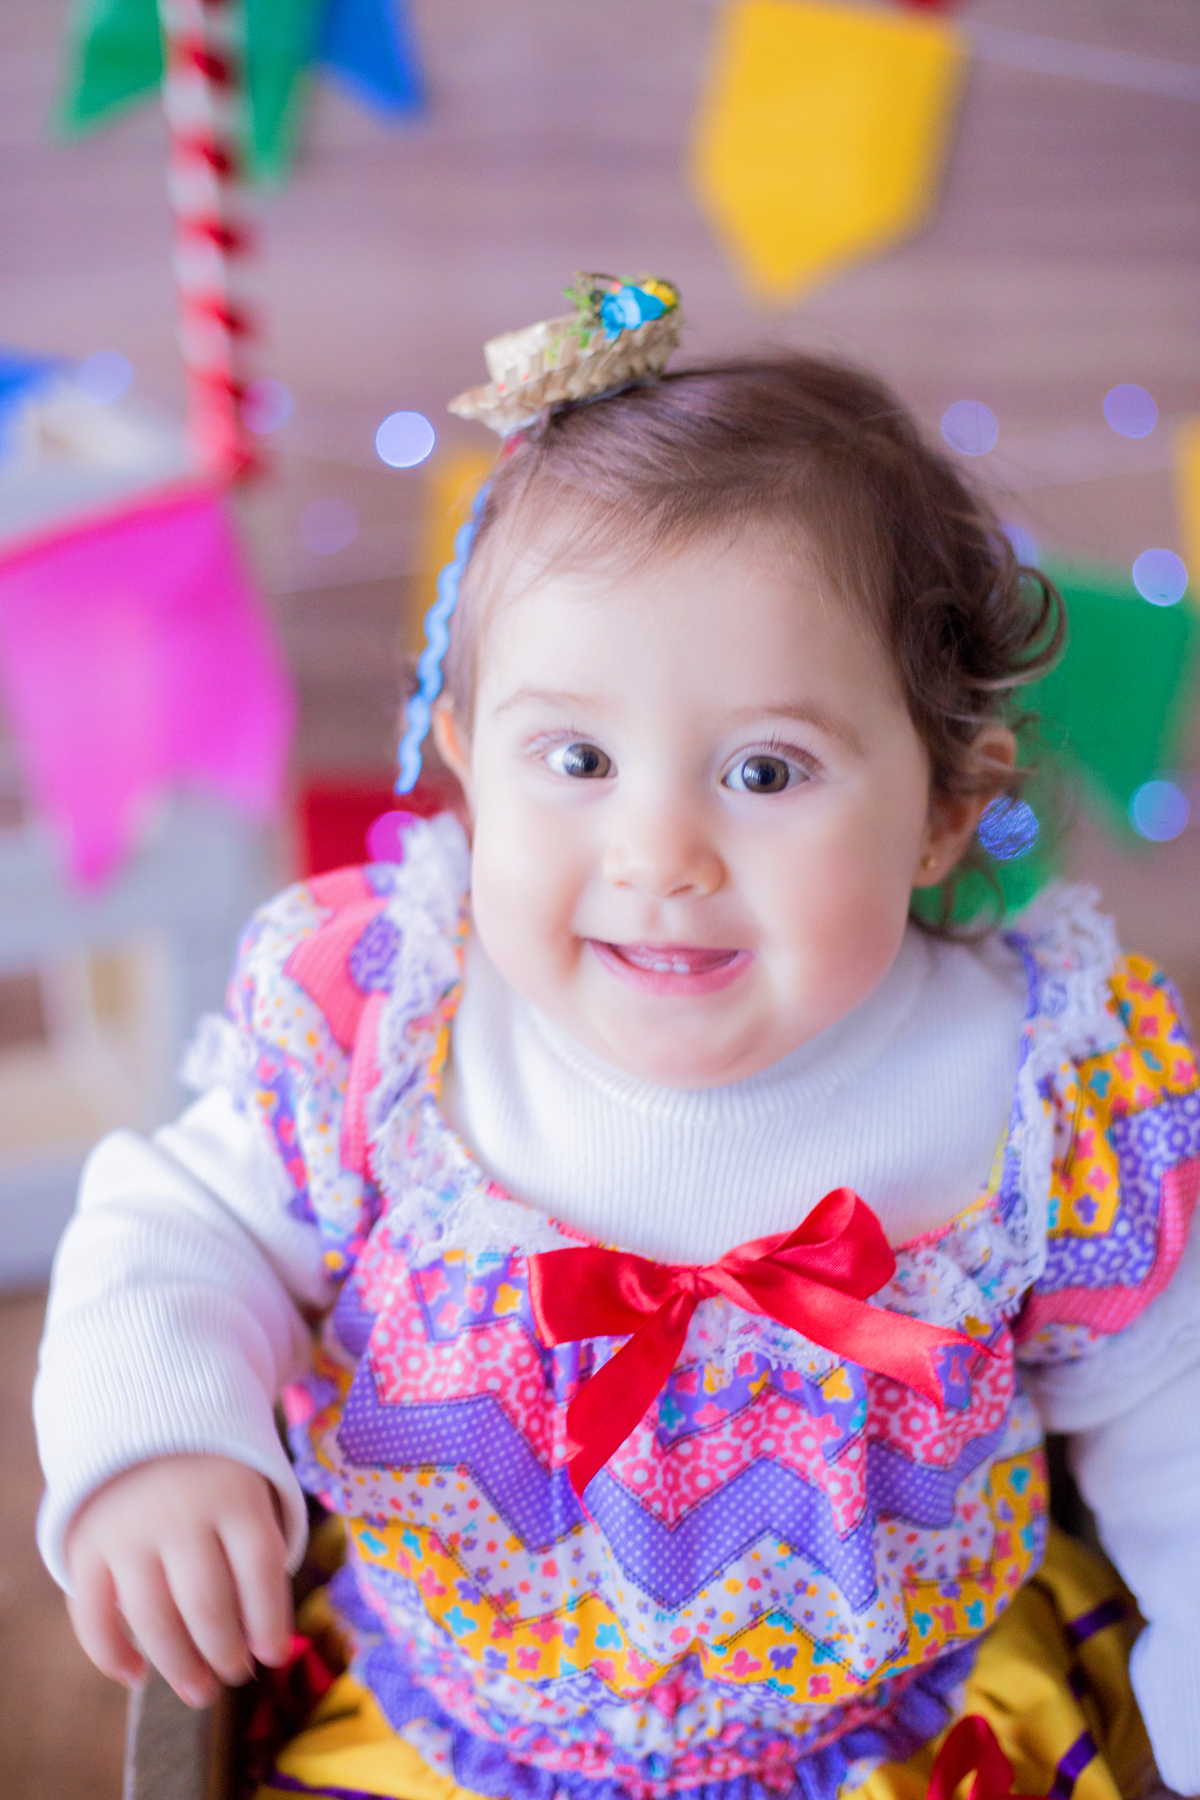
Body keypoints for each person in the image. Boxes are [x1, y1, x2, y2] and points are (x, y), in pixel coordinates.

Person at [35, 278, 1200, 1800]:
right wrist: (159, 1435)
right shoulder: (395, 1027)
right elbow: (174, 1219)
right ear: (464, 767)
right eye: (576, 756)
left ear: (943, 805)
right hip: (445, 1732)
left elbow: (1171, 1418)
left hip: (911, 1739)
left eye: (768, 771)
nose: (661, 853)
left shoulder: (1035, 1099)